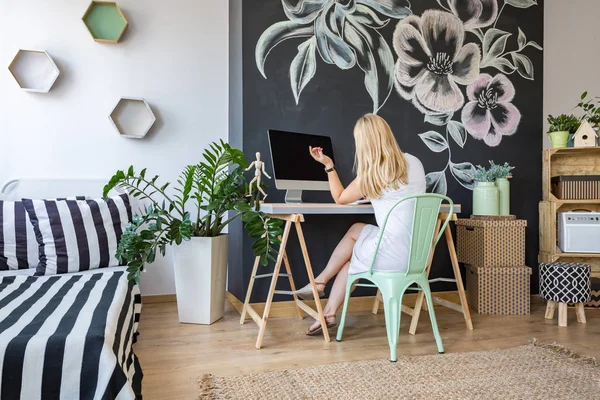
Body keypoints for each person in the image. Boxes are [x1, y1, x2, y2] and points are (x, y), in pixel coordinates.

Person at [295, 113, 426, 335]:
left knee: (353, 258)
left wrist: (328, 166)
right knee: (356, 229)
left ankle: (322, 289)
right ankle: (324, 295)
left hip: (393, 255)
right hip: (418, 253)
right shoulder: (414, 161)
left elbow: (340, 197)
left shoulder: (375, 171)